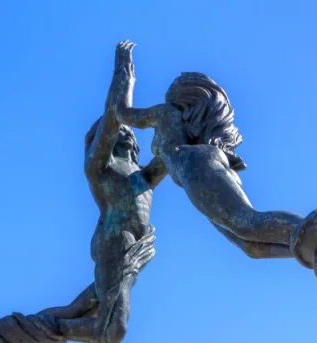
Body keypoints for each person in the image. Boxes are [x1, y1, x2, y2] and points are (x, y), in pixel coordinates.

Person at [112, 41, 304, 259]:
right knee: (251, 247)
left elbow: (122, 113)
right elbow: (148, 178)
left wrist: (124, 70)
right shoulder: (176, 146)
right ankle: (315, 254)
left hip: (199, 168)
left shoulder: (167, 115)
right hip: (200, 171)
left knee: (249, 223)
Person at [54, 41, 166, 343]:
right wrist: (124, 74)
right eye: (122, 132)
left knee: (109, 320)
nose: (129, 134)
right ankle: (54, 328)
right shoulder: (98, 167)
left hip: (134, 251)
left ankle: (61, 319)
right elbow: (115, 115)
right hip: (113, 244)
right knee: (114, 330)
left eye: (131, 134)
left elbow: (172, 155)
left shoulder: (140, 175)